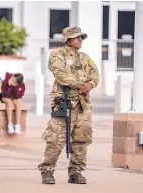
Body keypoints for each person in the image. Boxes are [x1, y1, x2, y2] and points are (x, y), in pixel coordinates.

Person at [38, 27, 100, 184]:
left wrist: (91, 84)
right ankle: (47, 171)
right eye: (76, 37)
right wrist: (81, 85)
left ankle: (76, 172)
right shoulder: (57, 55)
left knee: (81, 140)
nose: (80, 40)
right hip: (64, 103)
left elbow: (95, 73)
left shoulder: (85, 57)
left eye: (81, 37)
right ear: (67, 39)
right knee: (56, 139)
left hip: (82, 105)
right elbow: (60, 75)